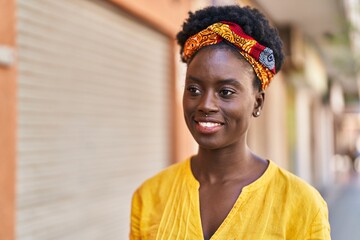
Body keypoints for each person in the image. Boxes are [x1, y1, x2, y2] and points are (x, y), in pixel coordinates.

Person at [130, 5, 331, 240]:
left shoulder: (302, 205)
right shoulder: (149, 196)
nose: (205, 104)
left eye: (225, 92)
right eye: (193, 89)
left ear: (257, 103)